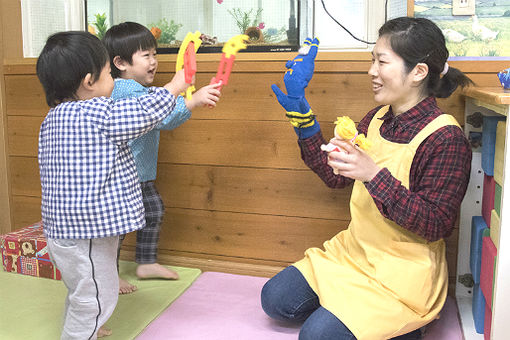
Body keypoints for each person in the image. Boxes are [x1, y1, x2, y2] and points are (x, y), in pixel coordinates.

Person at [262, 17, 473, 340]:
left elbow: (436, 223)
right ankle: (352, 313)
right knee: (274, 300)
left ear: (418, 72)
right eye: (372, 60)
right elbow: (335, 177)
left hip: (404, 274)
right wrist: (302, 117)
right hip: (355, 253)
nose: (372, 71)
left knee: (316, 336)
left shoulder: (445, 137)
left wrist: (373, 175)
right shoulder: (375, 119)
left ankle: (408, 322)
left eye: (382, 61)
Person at [37, 31, 190, 339]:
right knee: (98, 295)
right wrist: (175, 86)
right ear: (89, 81)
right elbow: (141, 113)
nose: (113, 82)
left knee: (83, 290)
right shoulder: (97, 113)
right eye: (109, 74)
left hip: (63, 232)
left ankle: (84, 327)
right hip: (87, 232)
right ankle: (81, 332)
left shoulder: (52, 119)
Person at [102, 22, 221, 294]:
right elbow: (163, 116)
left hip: (139, 175)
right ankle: (110, 274)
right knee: (117, 229)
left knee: (153, 211)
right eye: (146, 56)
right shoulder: (125, 91)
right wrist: (193, 100)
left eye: (154, 54)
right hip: (121, 177)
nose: (154, 62)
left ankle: (145, 262)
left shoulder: (138, 91)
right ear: (120, 62)